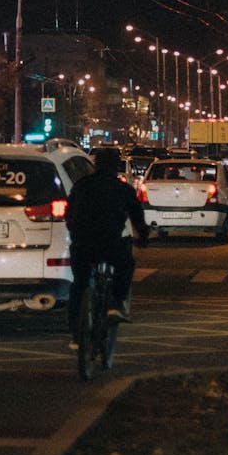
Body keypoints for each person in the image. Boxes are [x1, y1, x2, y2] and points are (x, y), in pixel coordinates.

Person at [65, 146, 151, 341]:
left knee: (79, 283)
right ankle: (116, 305)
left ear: (96, 164)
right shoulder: (123, 189)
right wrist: (144, 237)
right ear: (115, 166)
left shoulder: (81, 185)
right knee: (126, 264)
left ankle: (75, 330)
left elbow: (69, 214)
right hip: (110, 243)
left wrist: (76, 233)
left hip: (82, 244)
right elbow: (137, 218)